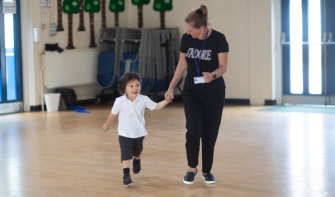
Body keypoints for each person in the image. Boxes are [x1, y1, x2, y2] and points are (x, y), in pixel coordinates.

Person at [165, 5, 229, 184]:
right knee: (193, 130)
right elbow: (182, 65)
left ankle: (207, 171)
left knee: (210, 132)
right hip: (191, 91)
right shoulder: (187, 39)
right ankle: (192, 168)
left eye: (190, 29)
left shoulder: (219, 39)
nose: (187, 33)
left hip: (214, 92)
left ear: (201, 29)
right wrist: (171, 87)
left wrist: (213, 75)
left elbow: (224, 66)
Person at [103, 72, 170, 185]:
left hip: (139, 132)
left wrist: (166, 101)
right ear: (124, 88)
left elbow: (157, 106)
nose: (135, 88)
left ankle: (137, 160)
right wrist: (107, 124)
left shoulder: (143, 99)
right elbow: (112, 115)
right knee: (125, 153)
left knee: (137, 151)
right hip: (124, 133)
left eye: (137, 85)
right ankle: (126, 176)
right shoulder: (119, 101)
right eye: (131, 85)